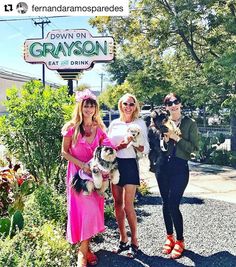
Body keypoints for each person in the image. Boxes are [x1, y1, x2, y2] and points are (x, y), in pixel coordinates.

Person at [61, 89, 112, 267]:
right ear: (80, 107)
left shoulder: (99, 129)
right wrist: (82, 165)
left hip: (94, 176)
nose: (89, 109)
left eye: (92, 106)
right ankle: (83, 253)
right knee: (82, 212)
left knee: (91, 212)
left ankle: (85, 249)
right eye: (86, 105)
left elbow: (108, 149)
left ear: (95, 108)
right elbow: (64, 152)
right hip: (77, 176)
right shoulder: (71, 128)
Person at [157, 93, 199, 259]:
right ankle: (169, 237)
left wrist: (176, 137)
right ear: (166, 106)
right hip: (163, 167)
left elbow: (194, 148)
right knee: (165, 203)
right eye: (169, 103)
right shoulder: (163, 122)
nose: (173, 105)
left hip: (180, 168)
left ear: (180, 104)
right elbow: (156, 144)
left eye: (176, 102)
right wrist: (165, 139)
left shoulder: (190, 123)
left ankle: (180, 241)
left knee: (174, 204)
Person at [108, 93, 149, 258]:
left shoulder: (139, 123)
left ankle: (135, 242)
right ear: (120, 105)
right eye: (126, 103)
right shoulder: (114, 123)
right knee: (117, 204)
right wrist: (118, 147)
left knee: (128, 205)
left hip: (130, 164)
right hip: (115, 165)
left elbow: (145, 149)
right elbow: (108, 145)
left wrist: (133, 143)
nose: (128, 106)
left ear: (135, 106)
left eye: (132, 104)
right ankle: (123, 239)